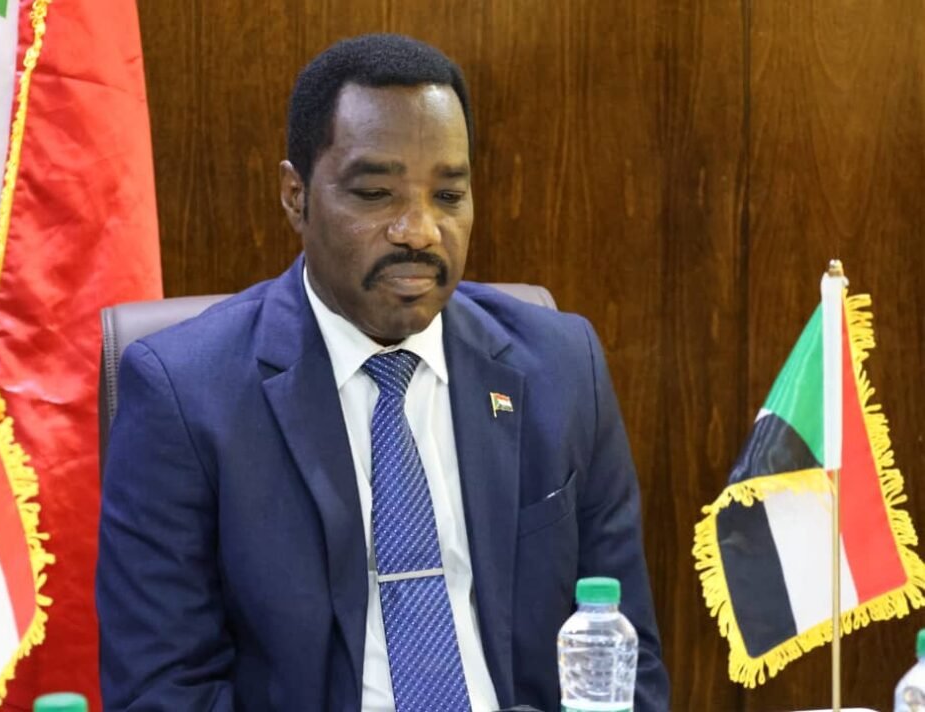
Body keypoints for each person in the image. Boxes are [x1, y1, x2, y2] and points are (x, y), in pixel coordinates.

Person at [96, 33, 670, 711]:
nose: (419, 230)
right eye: (375, 194)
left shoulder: (561, 366)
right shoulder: (186, 394)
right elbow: (164, 692)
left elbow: (624, 664)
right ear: (295, 196)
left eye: (448, 195)